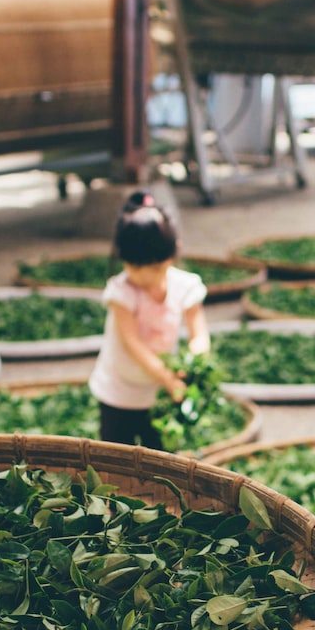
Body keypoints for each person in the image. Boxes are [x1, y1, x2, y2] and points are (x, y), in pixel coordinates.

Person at [88, 191, 209, 449]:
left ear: (171, 257)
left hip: (159, 394)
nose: (142, 277)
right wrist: (167, 378)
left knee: (162, 458)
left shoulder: (185, 287)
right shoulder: (121, 292)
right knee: (117, 458)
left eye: (153, 269)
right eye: (133, 267)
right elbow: (132, 343)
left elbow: (199, 333)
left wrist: (194, 361)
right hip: (119, 391)